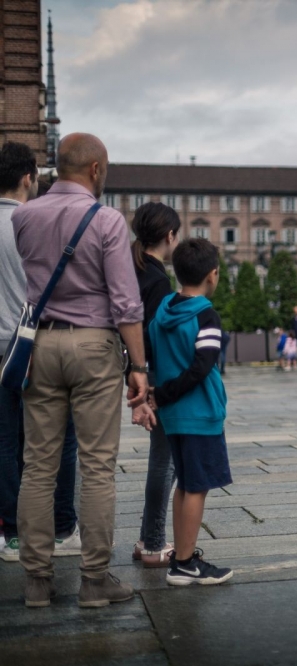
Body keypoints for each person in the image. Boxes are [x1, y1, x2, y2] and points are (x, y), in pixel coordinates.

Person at [13, 133, 153, 608]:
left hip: (40, 344)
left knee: (38, 466)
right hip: (94, 346)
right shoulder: (108, 219)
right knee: (96, 466)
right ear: (95, 169)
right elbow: (126, 303)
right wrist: (138, 367)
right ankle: (94, 582)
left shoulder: (24, 216)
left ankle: (36, 581)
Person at [0, 142, 81, 564]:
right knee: (61, 439)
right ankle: (64, 527)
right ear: (29, 177)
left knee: (4, 442)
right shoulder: (37, 222)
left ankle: (13, 536)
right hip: (35, 345)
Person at [148, 237, 233, 586]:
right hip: (200, 414)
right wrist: (165, 394)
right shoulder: (206, 316)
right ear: (213, 275)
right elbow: (201, 367)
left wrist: (161, 395)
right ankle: (184, 563)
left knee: (184, 484)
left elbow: (155, 355)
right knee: (197, 487)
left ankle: (181, 559)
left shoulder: (163, 310)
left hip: (173, 418)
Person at [130, 202, 181, 568]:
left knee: (160, 458)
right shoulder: (159, 279)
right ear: (169, 236)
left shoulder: (132, 267)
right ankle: (153, 543)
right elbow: (155, 334)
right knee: (164, 461)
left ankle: (148, 537)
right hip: (152, 374)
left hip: (131, 368)